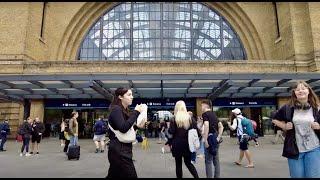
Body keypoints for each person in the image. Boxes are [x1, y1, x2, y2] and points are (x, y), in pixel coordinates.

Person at [272, 81, 320, 178]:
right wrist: (284, 126)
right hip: (294, 150)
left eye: (303, 88)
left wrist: (319, 126)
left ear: (308, 91)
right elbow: (274, 119)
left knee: (313, 176)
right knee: (297, 176)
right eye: (297, 89)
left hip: (314, 148)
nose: (300, 91)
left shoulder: (317, 108)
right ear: (294, 93)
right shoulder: (288, 108)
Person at [106, 87, 144, 178]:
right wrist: (136, 112)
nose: (132, 97)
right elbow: (123, 128)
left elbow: (126, 127)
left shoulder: (124, 110)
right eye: (129, 95)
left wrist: (137, 126)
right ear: (120, 97)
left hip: (122, 149)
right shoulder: (116, 109)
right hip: (119, 151)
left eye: (132, 95)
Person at [168, 100, 199, 178]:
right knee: (188, 163)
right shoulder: (190, 118)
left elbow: (171, 132)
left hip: (177, 144)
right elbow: (196, 131)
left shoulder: (173, 119)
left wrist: (169, 142)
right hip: (188, 144)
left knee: (178, 164)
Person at [201, 100, 223, 178]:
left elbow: (206, 125)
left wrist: (206, 140)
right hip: (215, 139)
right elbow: (221, 126)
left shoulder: (205, 114)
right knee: (216, 160)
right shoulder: (214, 114)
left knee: (208, 161)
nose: (201, 107)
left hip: (209, 139)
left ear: (206, 105)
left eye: (202, 105)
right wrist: (218, 137)